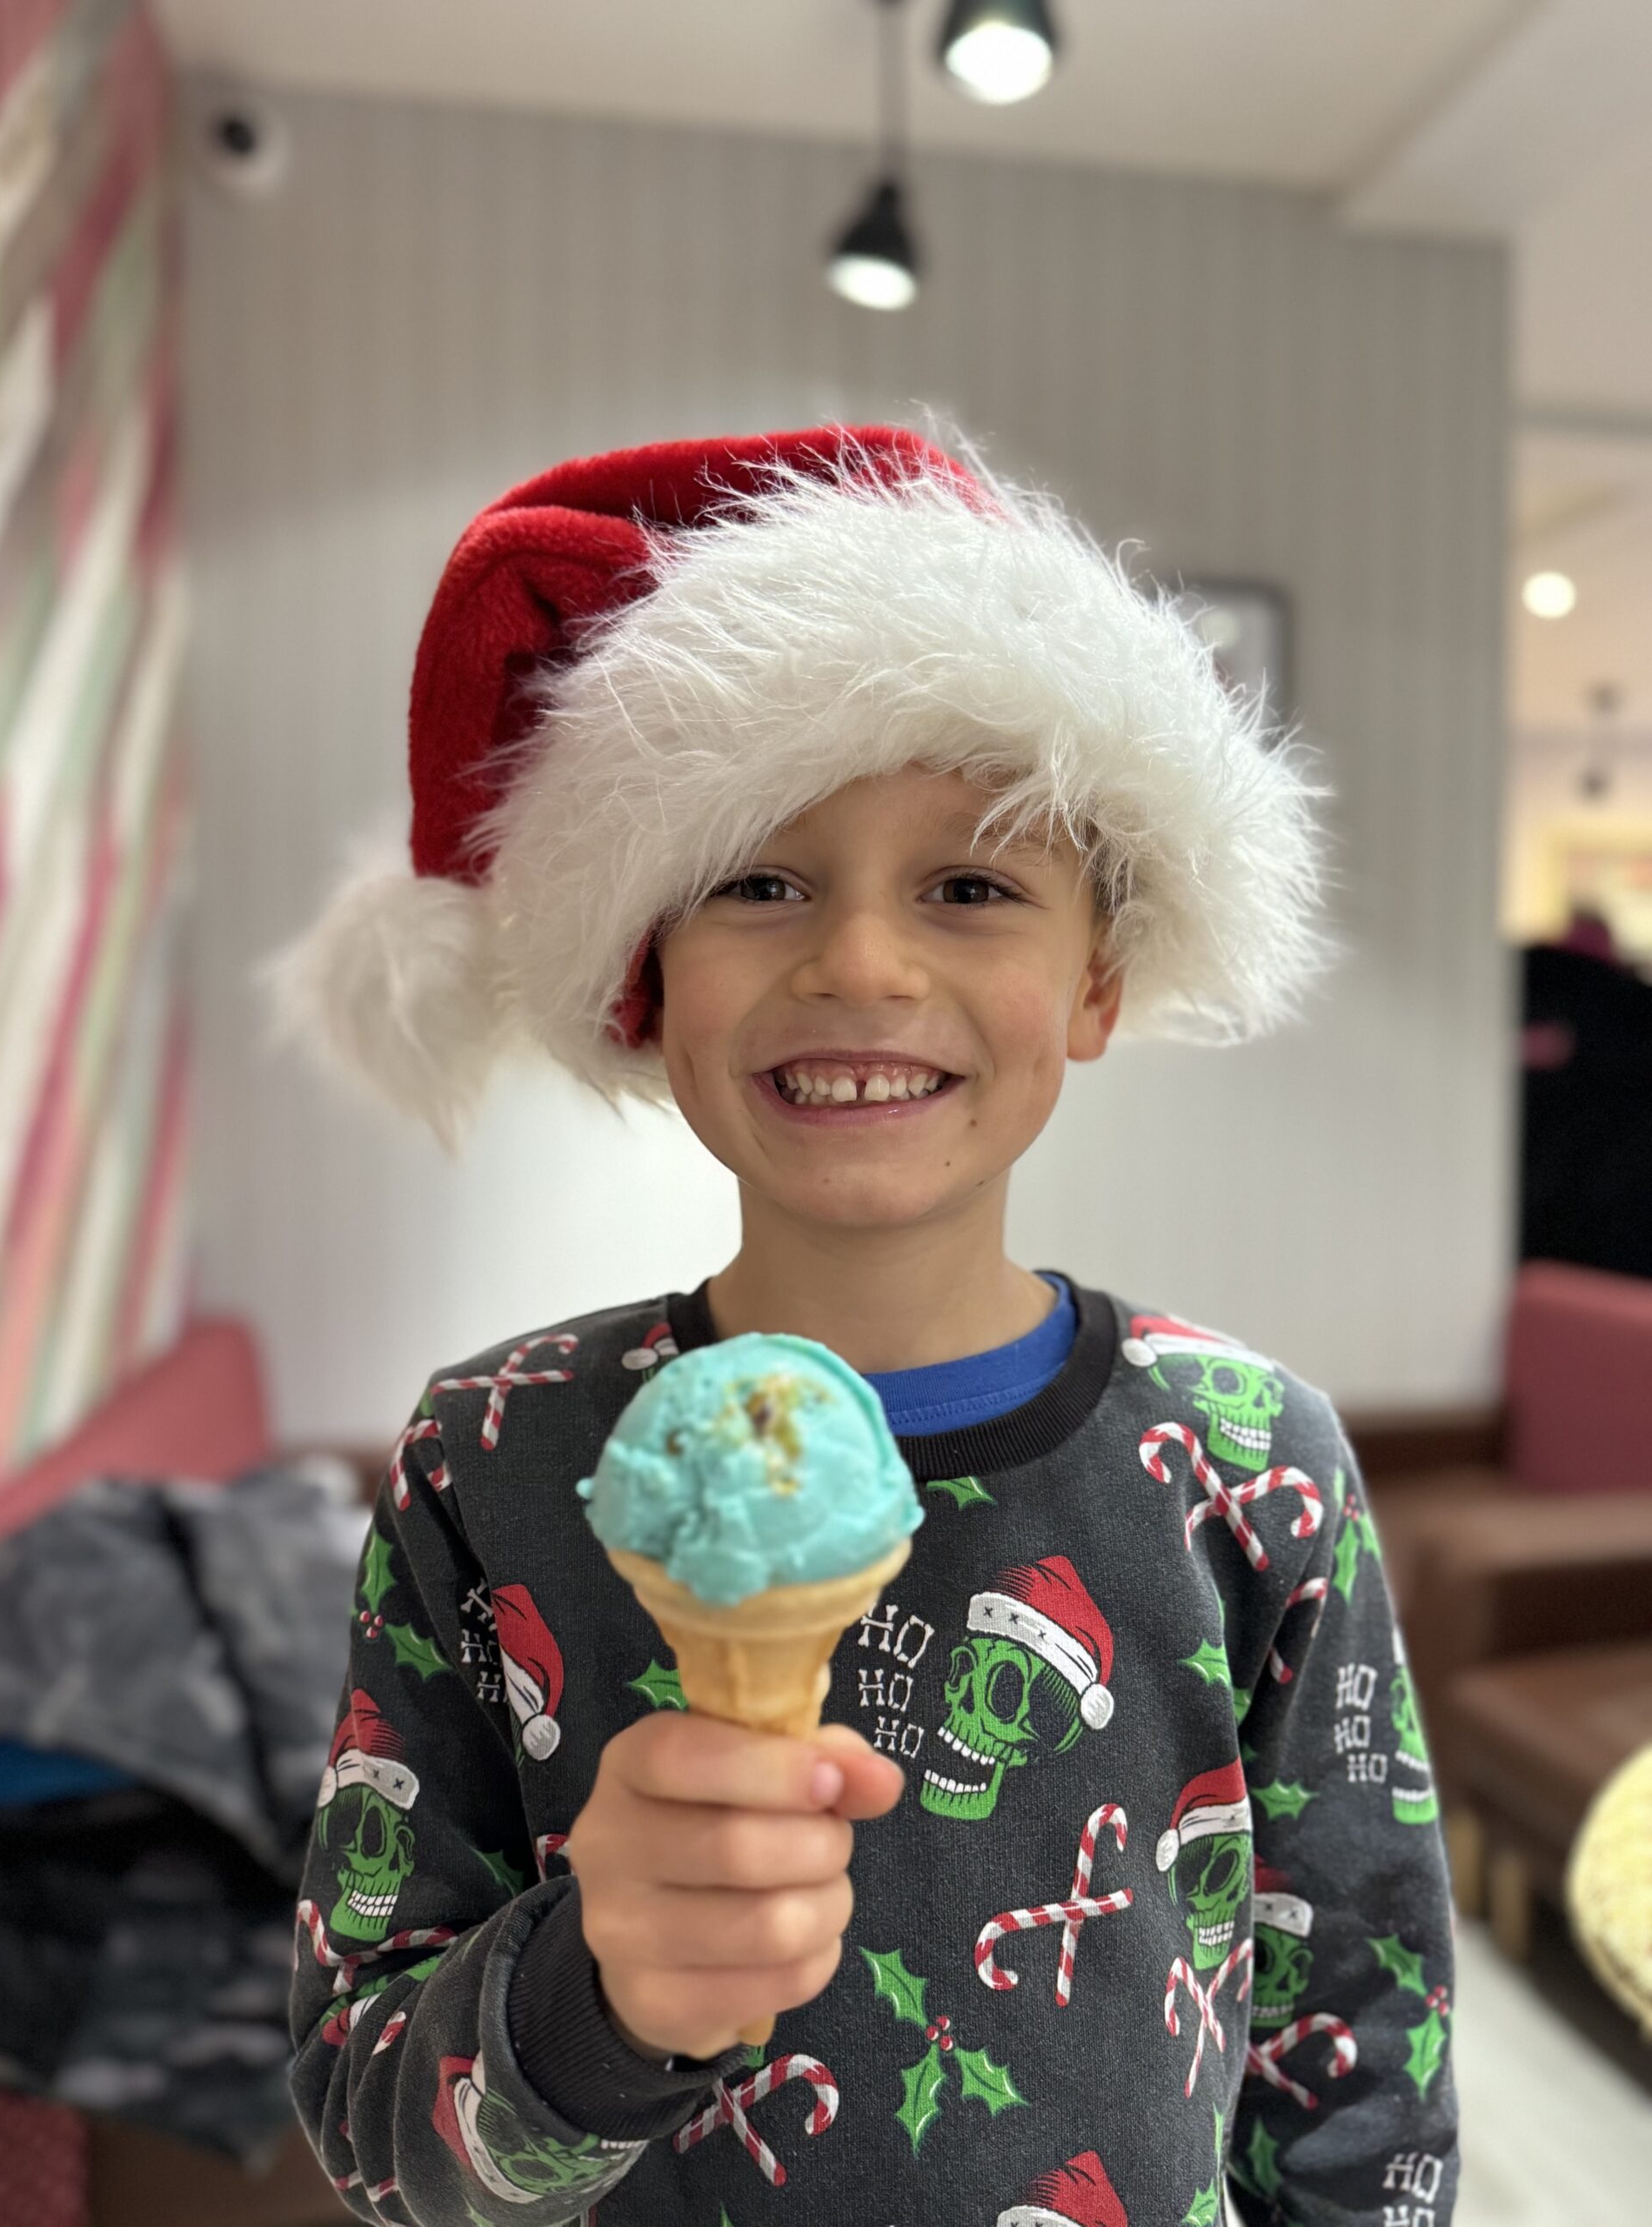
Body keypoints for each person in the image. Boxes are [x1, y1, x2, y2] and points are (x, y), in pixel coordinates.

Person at [266, 425, 1459, 2226]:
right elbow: (364, 2117)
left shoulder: (1249, 1455)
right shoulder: (490, 1454)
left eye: (971, 884)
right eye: (758, 876)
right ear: (645, 976)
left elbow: (1366, 2049)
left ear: (1097, 980)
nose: (865, 966)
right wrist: (588, 1996)